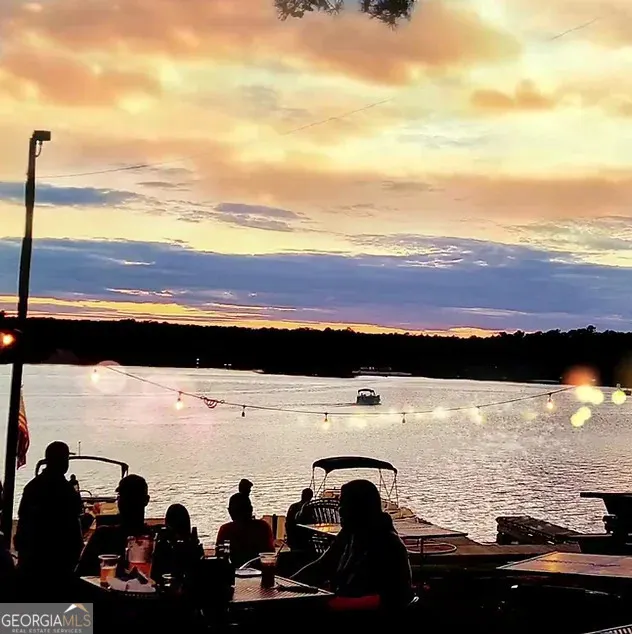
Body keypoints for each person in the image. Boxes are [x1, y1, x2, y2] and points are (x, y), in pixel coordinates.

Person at [293, 479, 413, 612]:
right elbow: (322, 566)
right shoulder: (349, 534)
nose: (339, 510)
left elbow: (393, 598)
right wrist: (288, 583)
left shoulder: (388, 543)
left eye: (344, 504)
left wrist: (334, 604)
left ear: (360, 507)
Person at [14, 441, 84, 578]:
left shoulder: (32, 487)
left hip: (31, 562)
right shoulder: (67, 491)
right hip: (59, 563)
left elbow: (22, 520)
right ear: (63, 462)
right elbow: (74, 528)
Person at [76, 474, 151, 577]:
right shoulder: (154, 539)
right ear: (146, 500)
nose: (125, 502)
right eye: (123, 497)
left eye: (129, 497)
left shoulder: (103, 536)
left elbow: (80, 574)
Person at [215, 493, 274, 568]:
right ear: (251, 509)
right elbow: (270, 554)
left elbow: (220, 557)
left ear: (230, 511)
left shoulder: (226, 530)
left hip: (233, 571)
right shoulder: (263, 527)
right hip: (260, 570)